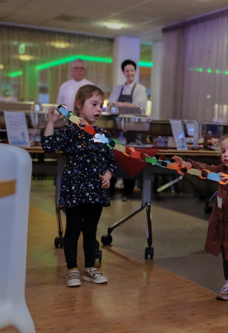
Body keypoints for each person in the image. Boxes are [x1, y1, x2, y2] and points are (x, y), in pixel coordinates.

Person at [172, 128, 228, 305]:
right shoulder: (222, 169)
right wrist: (189, 165)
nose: (225, 155)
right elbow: (208, 169)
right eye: (223, 151)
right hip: (224, 221)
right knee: (227, 252)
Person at [42, 84, 116, 287]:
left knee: (91, 230)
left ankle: (90, 268)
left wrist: (108, 174)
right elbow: (49, 145)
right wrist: (50, 122)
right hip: (75, 191)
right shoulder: (71, 131)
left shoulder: (102, 135)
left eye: (101, 105)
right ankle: (72, 269)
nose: (99, 109)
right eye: (94, 104)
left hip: (96, 192)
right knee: (73, 230)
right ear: (78, 105)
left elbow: (111, 160)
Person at [108, 59, 148, 201]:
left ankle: (128, 192)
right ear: (123, 72)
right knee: (113, 158)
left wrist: (119, 104)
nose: (130, 73)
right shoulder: (118, 88)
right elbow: (110, 104)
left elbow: (136, 107)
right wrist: (125, 104)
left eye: (132, 70)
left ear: (135, 72)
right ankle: (110, 191)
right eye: (127, 71)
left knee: (129, 159)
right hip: (117, 129)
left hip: (132, 130)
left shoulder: (140, 89)